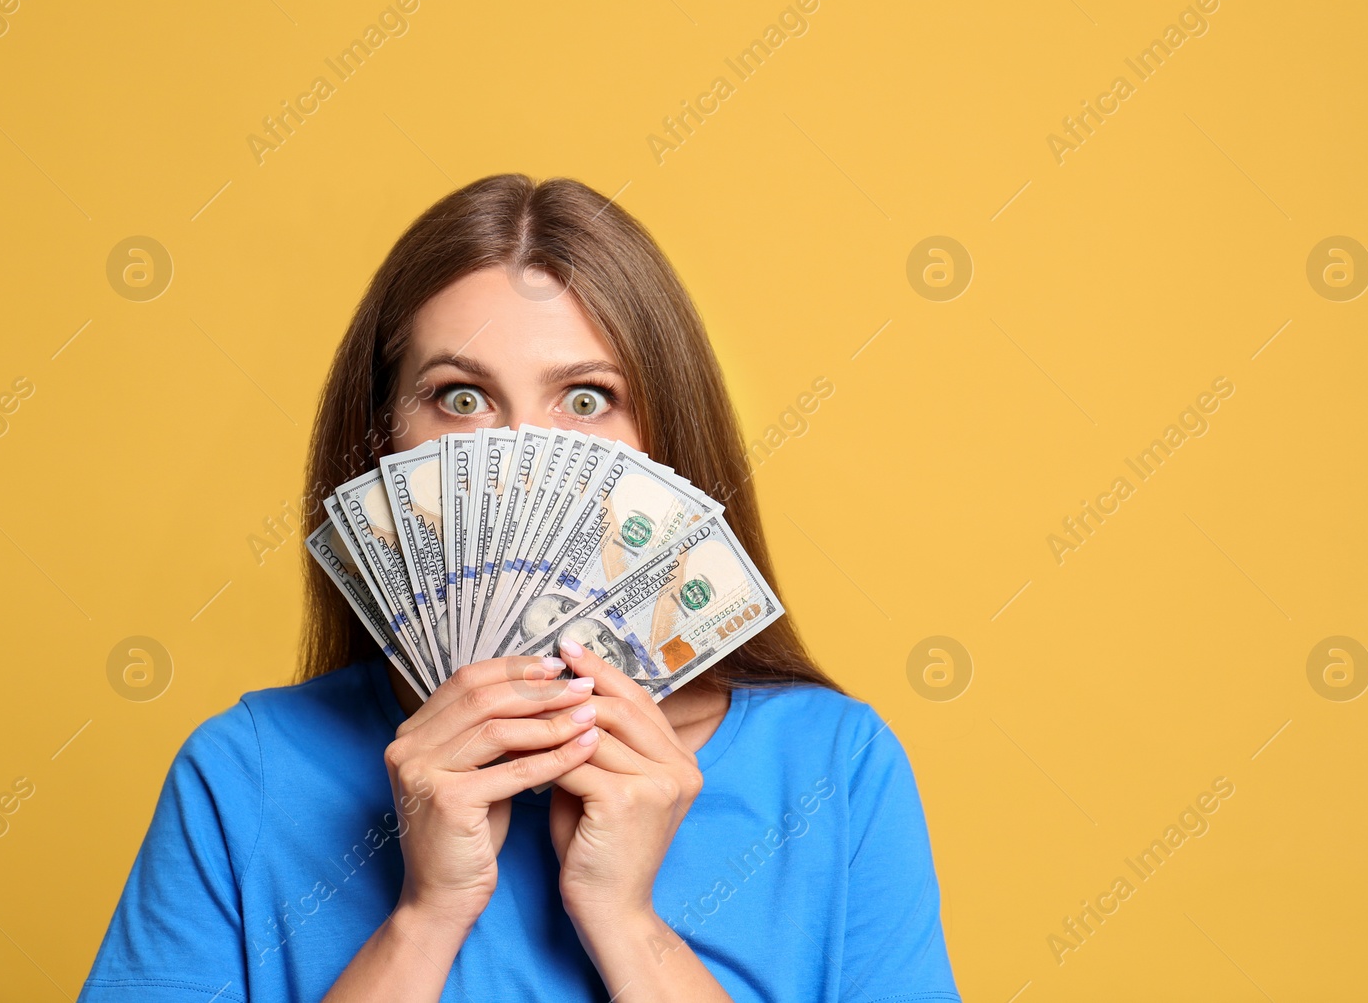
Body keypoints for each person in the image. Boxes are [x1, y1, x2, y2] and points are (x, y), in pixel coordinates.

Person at [78, 175, 960, 1002]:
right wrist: (424, 919)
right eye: (460, 399)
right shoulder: (246, 774)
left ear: (664, 441)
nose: (520, 463)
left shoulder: (832, 770)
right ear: (383, 441)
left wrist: (629, 925)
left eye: (585, 400)